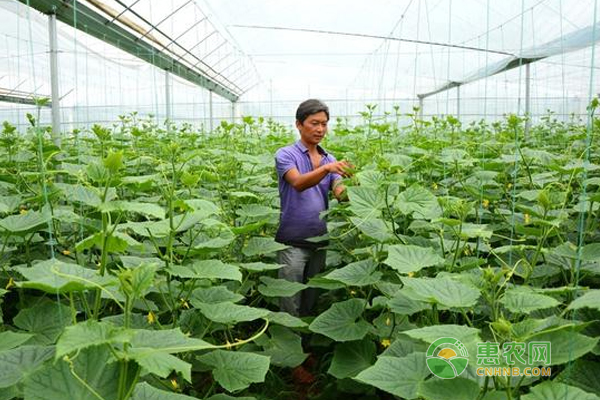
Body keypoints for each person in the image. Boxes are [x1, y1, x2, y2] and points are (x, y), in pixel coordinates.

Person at [274, 99, 351, 317]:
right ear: (299, 124)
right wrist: (326, 169)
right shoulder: (286, 155)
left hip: (319, 241)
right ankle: (290, 348)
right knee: (290, 304)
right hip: (292, 242)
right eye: (314, 123)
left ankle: (307, 348)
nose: (320, 129)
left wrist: (360, 188)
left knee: (311, 301)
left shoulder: (330, 159)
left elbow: (340, 193)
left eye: (324, 124)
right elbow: (297, 183)